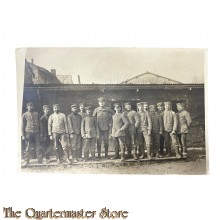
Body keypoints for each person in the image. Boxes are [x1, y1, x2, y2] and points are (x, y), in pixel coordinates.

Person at [21, 102, 43, 166]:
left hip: (36, 132)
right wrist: (22, 135)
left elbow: (40, 124)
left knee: (38, 146)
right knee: (27, 147)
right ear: (27, 107)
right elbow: (22, 126)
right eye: (30, 106)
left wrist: (41, 132)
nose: (31, 107)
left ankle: (40, 160)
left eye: (32, 106)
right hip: (28, 133)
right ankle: (26, 160)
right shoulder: (24, 115)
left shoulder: (36, 114)